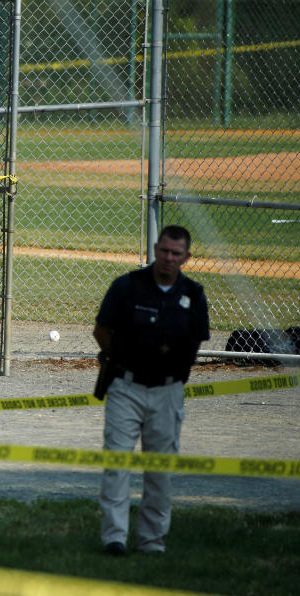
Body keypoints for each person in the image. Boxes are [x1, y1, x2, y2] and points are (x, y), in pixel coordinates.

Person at [93, 225, 210, 556]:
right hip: (125, 387)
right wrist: (124, 357)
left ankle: (151, 541)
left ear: (187, 257)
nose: (168, 258)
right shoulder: (127, 287)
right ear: (155, 249)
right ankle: (114, 538)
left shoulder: (194, 295)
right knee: (117, 463)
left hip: (167, 391)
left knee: (160, 471)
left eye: (176, 254)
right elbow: (101, 330)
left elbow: (196, 341)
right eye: (164, 251)